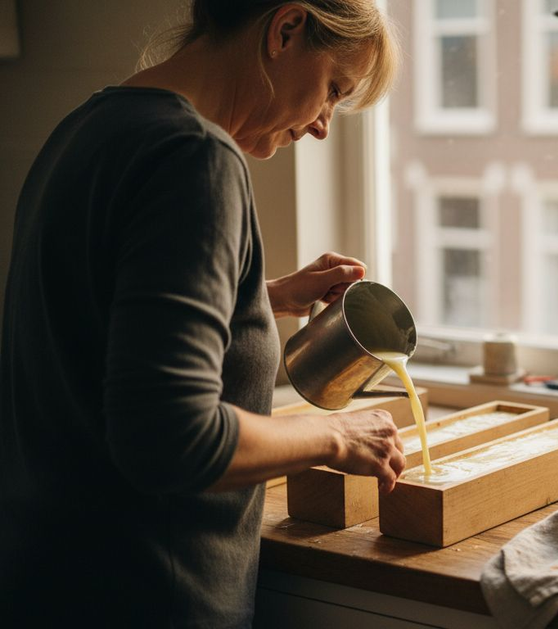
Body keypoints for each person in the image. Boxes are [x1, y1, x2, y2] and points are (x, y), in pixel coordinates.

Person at [0, 1, 403, 625]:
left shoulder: (84, 127)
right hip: (145, 597)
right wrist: (335, 434)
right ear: (286, 29)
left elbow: (95, 317)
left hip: (45, 578)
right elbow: (170, 439)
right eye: (331, 89)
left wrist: (259, 299)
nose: (324, 124)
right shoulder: (195, 157)